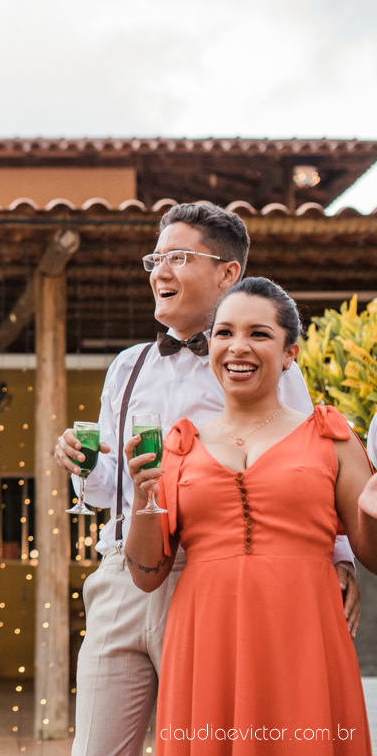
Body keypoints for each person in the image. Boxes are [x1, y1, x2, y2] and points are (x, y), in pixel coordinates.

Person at [53, 202, 359, 756]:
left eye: (178, 257)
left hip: (207, 579)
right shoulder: (128, 366)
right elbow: (105, 490)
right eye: (155, 258)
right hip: (121, 572)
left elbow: (308, 466)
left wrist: (337, 556)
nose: (159, 272)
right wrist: (84, 463)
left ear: (227, 272)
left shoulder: (263, 363)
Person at [124, 277, 376, 755]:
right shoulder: (179, 446)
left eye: (259, 334)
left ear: (290, 353)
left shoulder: (332, 438)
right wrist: (142, 497)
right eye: (224, 333)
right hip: (207, 640)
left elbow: (373, 555)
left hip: (305, 634)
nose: (238, 347)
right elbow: (147, 575)